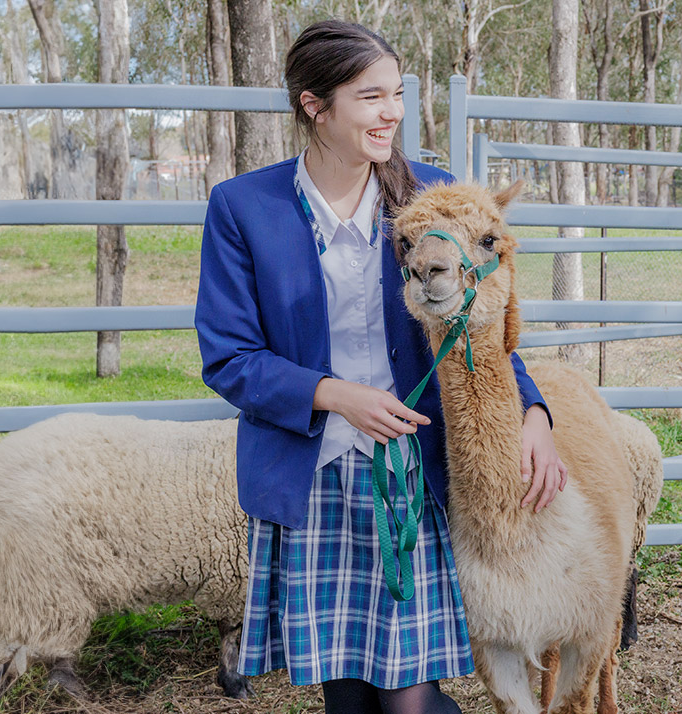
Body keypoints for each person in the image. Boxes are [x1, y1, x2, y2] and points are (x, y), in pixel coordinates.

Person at [194, 20, 567, 714]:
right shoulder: (245, 208)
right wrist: (335, 395)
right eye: (370, 97)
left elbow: (478, 319)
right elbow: (229, 357)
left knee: (409, 701)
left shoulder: (431, 196)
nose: (391, 112)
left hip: (411, 473)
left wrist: (535, 411)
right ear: (314, 105)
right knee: (349, 698)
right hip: (316, 477)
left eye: (395, 94)